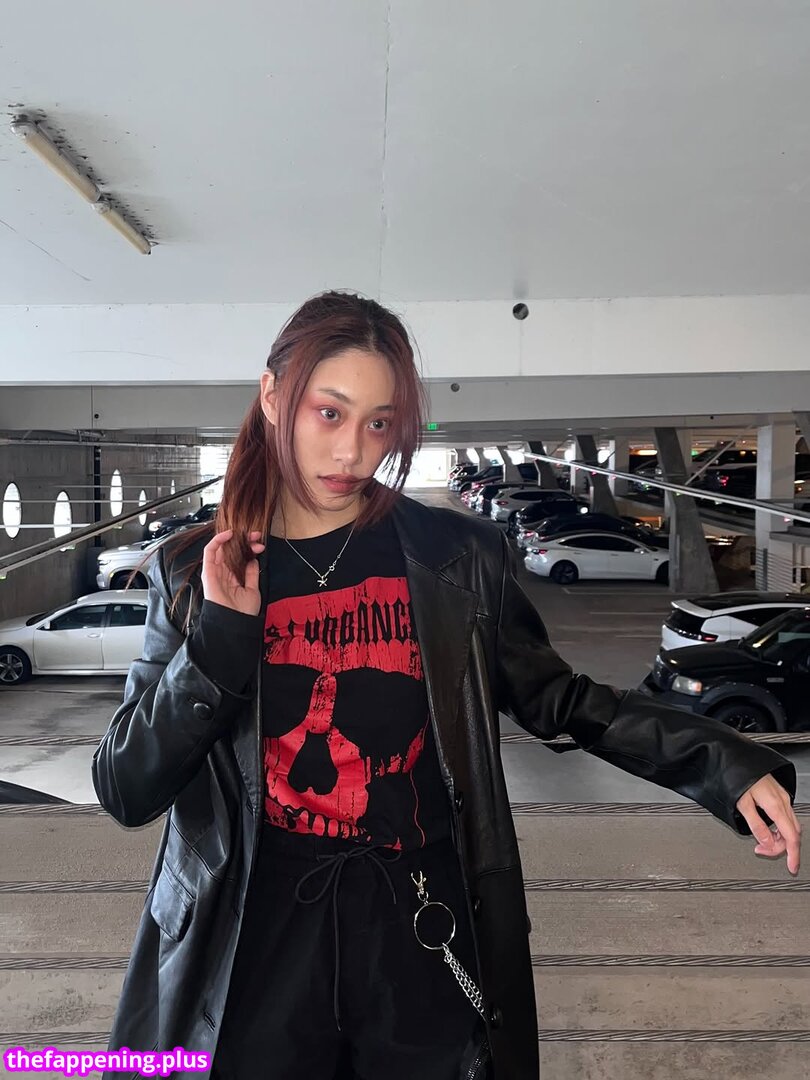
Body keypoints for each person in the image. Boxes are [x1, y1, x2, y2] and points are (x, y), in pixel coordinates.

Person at [92, 291, 800, 1080]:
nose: (353, 451)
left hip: (416, 928)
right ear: (271, 397)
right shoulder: (196, 572)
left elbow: (560, 699)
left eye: (380, 423)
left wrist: (722, 763)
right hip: (253, 938)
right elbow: (126, 787)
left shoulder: (456, 557)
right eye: (329, 413)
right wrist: (218, 642)